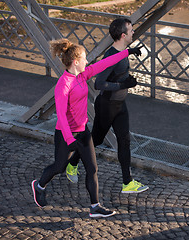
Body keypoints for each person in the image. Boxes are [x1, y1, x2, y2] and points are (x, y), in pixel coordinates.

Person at [31, 38, 142, 218]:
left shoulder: (83, 75)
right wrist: (69, 140)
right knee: (59, 167)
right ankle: (39, 185)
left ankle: (95, 207)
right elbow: (60, 115)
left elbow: (105, 63)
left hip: (83, 132)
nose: (87, 62)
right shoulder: (63, 84)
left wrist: (127, 52)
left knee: (92, 169)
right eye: (84, 59)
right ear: (75, 62)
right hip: (66, 134)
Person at [66, 17, 149, 194]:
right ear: (122, 35)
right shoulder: (111, 56)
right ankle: (71, 164)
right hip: (107, 105)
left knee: (124, 141)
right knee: (95, 140)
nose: (134, 32)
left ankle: (127, 183)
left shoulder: (123, 52)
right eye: (131, 30)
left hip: (120, 105)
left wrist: (126, 80)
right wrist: (123, 85)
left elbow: (117, 75)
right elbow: (99, 84)